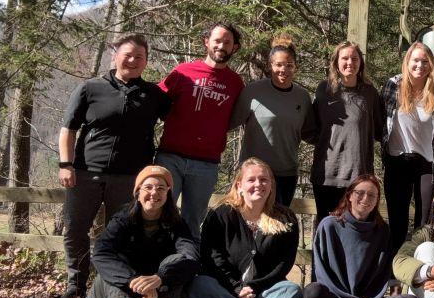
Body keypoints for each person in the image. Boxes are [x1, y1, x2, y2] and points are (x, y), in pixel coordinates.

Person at [55, 33, 171, 298]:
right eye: (127, 54)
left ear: (146, 62)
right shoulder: (91, 88)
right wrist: (66, 164)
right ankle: (76, 286)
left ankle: (111, 288)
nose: (132, 60)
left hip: (130, 178)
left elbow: (182, 118)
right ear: (115, 55)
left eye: (139, 57)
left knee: (119, 234)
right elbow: (68, 129)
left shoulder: (153, 95)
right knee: (75, 229)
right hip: (86, 173)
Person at [85, 166, 199, 298]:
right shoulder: (122, 219)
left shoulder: (177, 223)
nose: (154, 193)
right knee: (112, 264)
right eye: (148, 187)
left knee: (178, 263)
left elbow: (191, 257)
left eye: (161, 188)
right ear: (138, 192)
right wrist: (134, 281)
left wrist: (160, 278)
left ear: (168, 194)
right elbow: (101, 254)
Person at [186, 158, 303, 298]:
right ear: (239, 185)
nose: (258, 184)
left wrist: (253, 289)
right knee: (198, 286)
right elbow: (212, 258)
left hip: (263, 292)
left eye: (264, 180)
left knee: (291, 291)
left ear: (271, 185)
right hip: (225, 288)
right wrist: (237, 289)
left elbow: (283, 264)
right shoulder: (221, 214)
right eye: (252, 180)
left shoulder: (285, 218)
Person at [302, 175, 419, 298]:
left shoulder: (382, 231)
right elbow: (321, 273)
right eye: (360, 193)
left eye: (372, 195)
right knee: (312, 292)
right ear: (349, 195)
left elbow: (385, 272)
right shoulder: (329, 225)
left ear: (377, 200)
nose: (366, 198)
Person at [156, 22, 244, 236]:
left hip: (206, 164)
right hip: (170, 158)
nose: (221, 46)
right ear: (207, 42)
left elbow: (236, 118)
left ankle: (186, 266)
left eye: (227, 42)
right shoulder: (183, 72)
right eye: (217, 40)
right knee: (159, 215)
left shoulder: (236, 84)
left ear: (235, 48)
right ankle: (153, 267)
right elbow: (155, 102)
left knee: (192, 223)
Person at [231, 36, 317, 206]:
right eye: (278, 65)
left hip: (285, 174)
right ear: (270, 66)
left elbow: (310, 133)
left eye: (289, 65)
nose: (283, 69)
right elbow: (229, 123)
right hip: (253, 173)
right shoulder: (253, 92)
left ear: (296, 68)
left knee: (278, 227)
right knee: (249, 222)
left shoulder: (302, 97)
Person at [380, 41, 434, 250]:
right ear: (407, 62)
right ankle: (394, 273)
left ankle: (419, 271)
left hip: (427, 164)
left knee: (425, 224)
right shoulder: (392, 86)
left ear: (431, 65)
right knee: (397, 222)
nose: (420, 65)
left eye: (425, 61)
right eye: (416, 60)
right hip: (397, 160)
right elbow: (380, 118)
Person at [310, 41, 383, 223]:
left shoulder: (370, 93)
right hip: (327, 173)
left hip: (358, 176)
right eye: (345, 58)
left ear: (360, 63)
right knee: (325, 227)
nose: (350, 62)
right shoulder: (324, 90)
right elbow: (311, 128)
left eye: (354, 58)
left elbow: (380, 130)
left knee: (355, 227)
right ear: (336, 62)